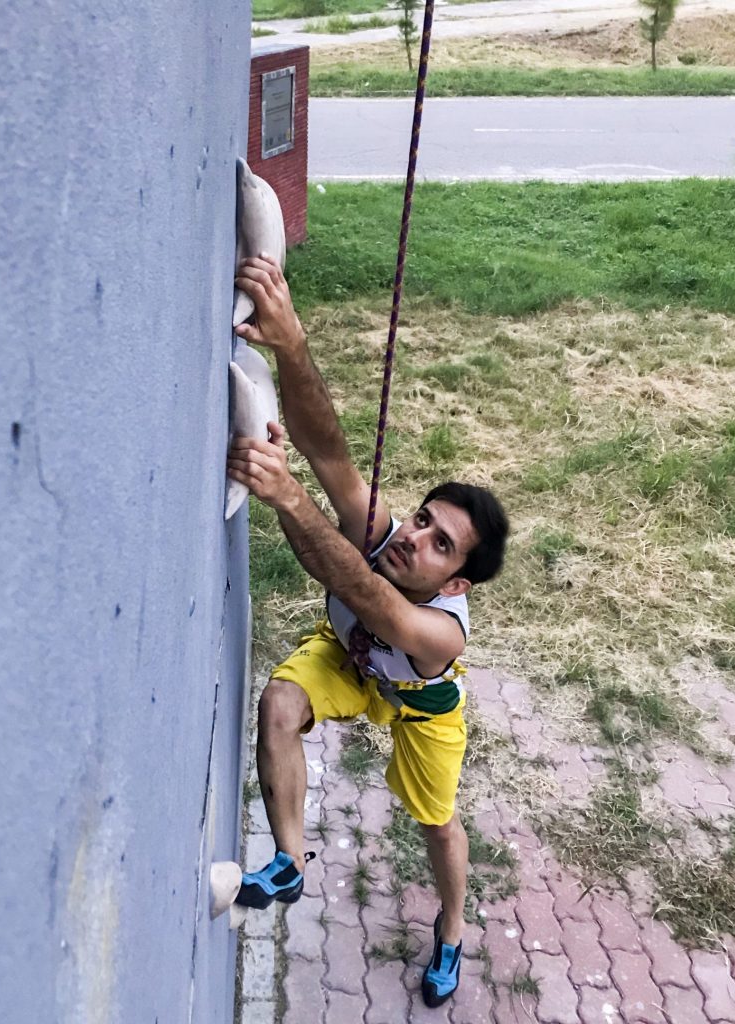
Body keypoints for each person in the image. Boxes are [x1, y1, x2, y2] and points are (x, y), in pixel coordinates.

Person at [227, 255, 509, 1009]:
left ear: (455, 583)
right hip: (351, 664)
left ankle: (452, 930)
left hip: (419, 706)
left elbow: (371, 600)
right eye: (424, 519)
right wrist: (290, 344)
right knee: (279, 706)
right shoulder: (389, 537)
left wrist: (288, 498)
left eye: (441, 544)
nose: (416, 538)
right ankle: (289, 859)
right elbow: (328, 452)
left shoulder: (441, 634)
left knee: (437, 824)